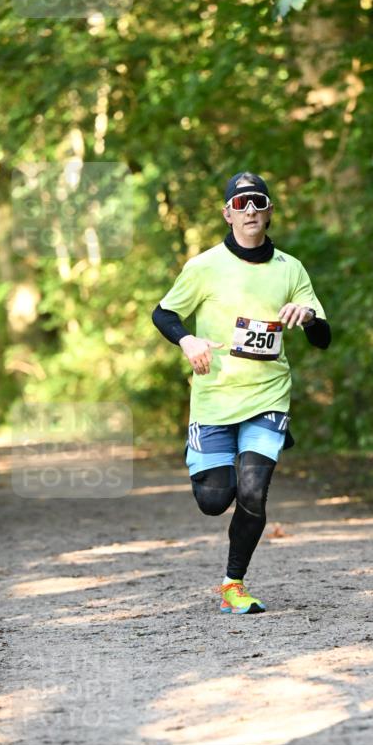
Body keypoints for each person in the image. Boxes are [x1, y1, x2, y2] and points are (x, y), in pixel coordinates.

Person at [152, 172, 331, 614]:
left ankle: (234, 583)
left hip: (268, 396)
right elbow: (164, 313)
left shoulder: (290, 269)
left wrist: (307, 317)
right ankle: (205, 461)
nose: (250, 210)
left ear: (269, 212)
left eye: (259, 202)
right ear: (228, 213)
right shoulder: (204, 266)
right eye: (242, 203)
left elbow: (323, 337)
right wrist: (187, 340)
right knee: (215, 501)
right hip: (214, 398)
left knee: (253, 493)